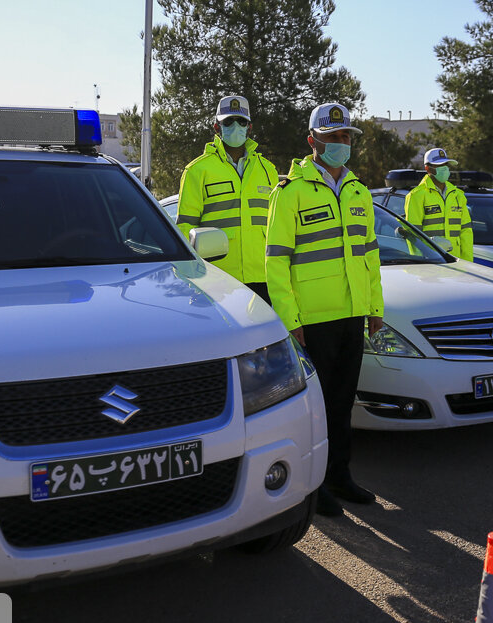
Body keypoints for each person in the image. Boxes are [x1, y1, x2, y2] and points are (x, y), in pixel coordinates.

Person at [265, 103, 383, 517]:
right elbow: (276, 260)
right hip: (311, 321)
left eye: (346, 137)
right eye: (332, 137)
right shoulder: (290, 192)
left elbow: (370, 255)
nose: (340, 144)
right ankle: (314, 485)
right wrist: (290, 319)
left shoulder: (358, 191)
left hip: (351, 314)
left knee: (342, 401)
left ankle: (340, 476)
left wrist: (374, 308)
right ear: (312, 141)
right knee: (314, 408)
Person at [175, 95, 279, 302]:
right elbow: (185, 228)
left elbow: (278, 229)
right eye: (228, 122)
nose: (235, 126)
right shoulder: (197, 170)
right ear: (216, 127)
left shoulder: (268, 170)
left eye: (241, 121)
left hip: (263, 280)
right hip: (217, 280)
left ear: (249, 127)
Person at [404, 148, 473, 261]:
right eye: (439, 165)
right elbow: (413, 235)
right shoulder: (416, 196)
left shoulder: (458, 195)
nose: (444, 169)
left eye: (446, 164)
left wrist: (468, 262)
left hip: (455, 262)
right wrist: (419, 262)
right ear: (428, 168)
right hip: (431, 262)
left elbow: (466, 232)